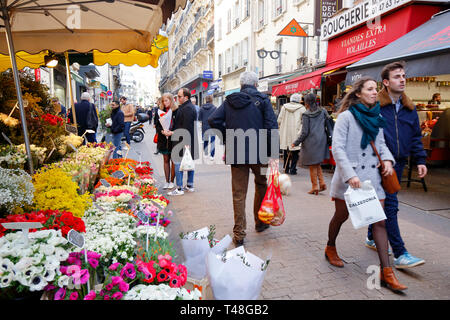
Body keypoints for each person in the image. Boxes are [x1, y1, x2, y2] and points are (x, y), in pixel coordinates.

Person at [325, 76, 407, 292]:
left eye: (375, 89)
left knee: (380, 222)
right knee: (340, 216)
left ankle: (386, 272)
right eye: (370, 89)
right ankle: (330, 247)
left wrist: (388, 160)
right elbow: (338, 148)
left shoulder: (377, 115)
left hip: (372, 180)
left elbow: (381, 144)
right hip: (350, 180)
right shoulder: (345, 117)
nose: (374, 92)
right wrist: (350, 174)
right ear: (358, 93)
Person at [365, 61, 427, 269]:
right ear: (385, 82)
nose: (402, 80)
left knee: (382, 203)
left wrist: (420, 160)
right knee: (391, 205)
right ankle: (400, 254)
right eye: (397, 76)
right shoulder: (375, 106)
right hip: (378, 164)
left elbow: (416, 137)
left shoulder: (410, 108)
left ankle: (372, 237)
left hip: (398, 163)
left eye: (403, 76)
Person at [208, 71, 278, 247]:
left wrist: (227, 135)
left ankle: (239, 234)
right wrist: (273, 154)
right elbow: (271, 126)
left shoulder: (229, 101)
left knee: (238, 193)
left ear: (241, 84)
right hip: (260, 153)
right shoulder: (262, 100)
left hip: (237, 152)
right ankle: (261, 222)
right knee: (261, 183)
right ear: (255, 84)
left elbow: (212, 120)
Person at [291, 93, 330, 194]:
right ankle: (322, 183)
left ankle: (315, 186)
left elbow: (304, 132)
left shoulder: (306, 114)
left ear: (307, 102)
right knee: (316, 162)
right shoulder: (323, 111)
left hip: (310, 141)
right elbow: (328, 124)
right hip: (322, 139)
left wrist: (295, 142)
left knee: (312, 164)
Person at [166, 88, 199, 196]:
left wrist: (174, 134)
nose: (178, 98)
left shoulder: (188, 108)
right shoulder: (187, 107)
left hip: (183, 139)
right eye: (177, 96)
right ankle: (189, 185)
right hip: (185, 139)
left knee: (178, 162)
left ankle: (179, 188)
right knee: (189, 162)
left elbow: (186, 126)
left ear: (186, 97)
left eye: (179, 96)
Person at [278, 93, 306, 175]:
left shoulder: (284, 107)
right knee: (295, 151)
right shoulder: (302, 108)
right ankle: (293, 169)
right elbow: (303, 121)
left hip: (285, 131)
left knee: (286, 150)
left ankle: (286, 168)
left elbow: (279, 120)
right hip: (296, 132)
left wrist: (281, 127)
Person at [155, 93, 178, 190]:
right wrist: (162, 131)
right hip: (163, 139)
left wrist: (172, 132)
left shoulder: (177, 111)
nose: (164, 103)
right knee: (165, 159)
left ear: (171, 100)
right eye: (163, 101)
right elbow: (157, 125)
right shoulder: (159, 111)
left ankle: (172, 181)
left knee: (173, 160)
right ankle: (166, 181)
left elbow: (179, 124)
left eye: (166, 100)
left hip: (174, 138)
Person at [198, 95, 217, 161]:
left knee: (205, 140)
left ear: (206, 100)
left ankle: (205, 154)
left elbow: (199, 119)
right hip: (212, 127)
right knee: (212, 141)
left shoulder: (202, 108)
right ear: (211, 100)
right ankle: (212, 156)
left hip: (204, 127)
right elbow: (216, 118)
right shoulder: (214, 108)